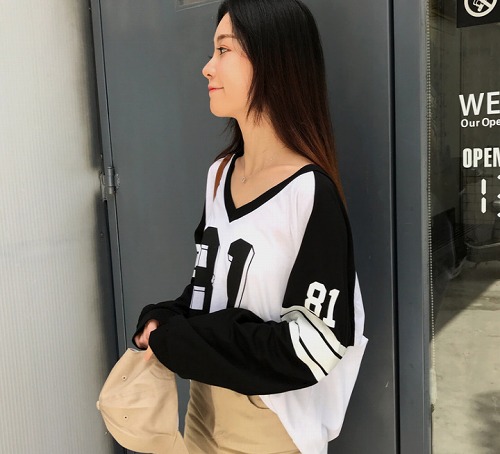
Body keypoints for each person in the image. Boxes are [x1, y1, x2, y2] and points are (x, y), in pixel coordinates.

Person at [133, 1, 367, 453]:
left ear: (272, 59)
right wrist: (169, 316)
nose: (207, 67)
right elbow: (212, 288)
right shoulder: (219, 175)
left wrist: (187, 342)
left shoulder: (308, 192)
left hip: (270, 424)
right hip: (203, 407)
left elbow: (315, 345)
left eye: (224, 50)